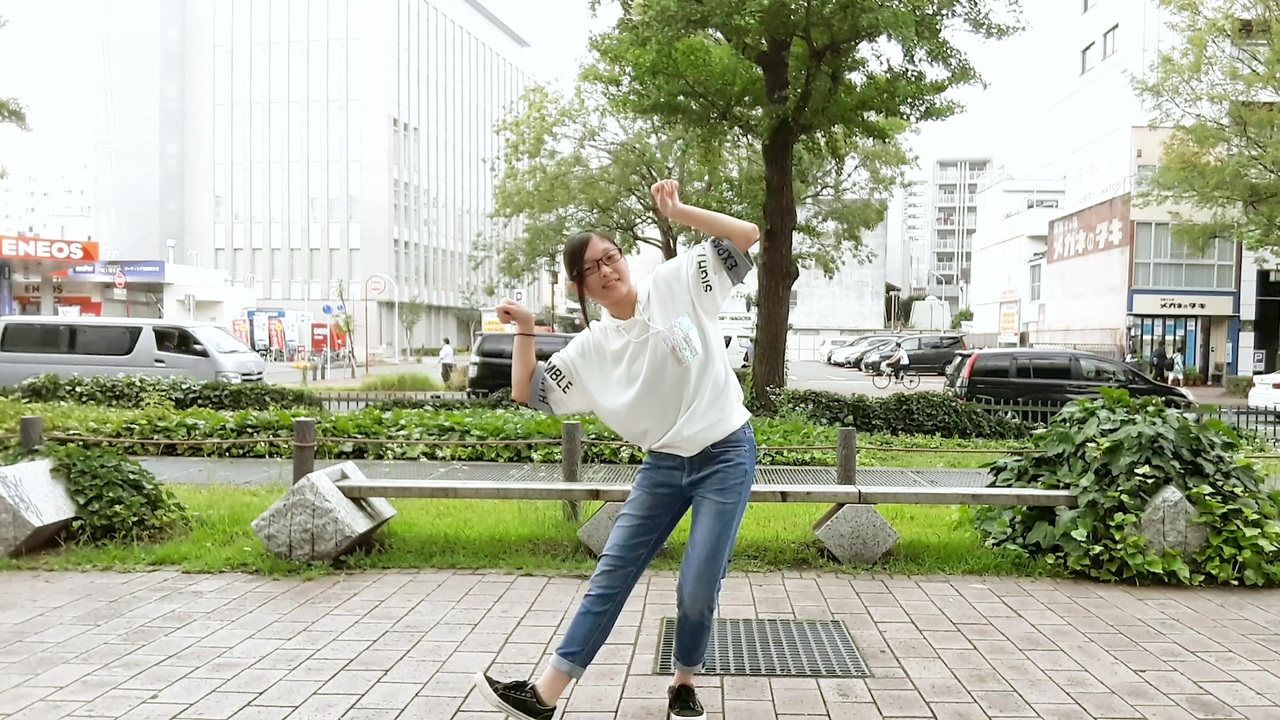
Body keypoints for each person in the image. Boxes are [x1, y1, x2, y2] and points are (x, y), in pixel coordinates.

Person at [474, 179, 759, 720]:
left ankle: (683, 682)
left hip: (725, 451)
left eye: (611, 258)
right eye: (591, 269)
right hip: (663, 464)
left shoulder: (677, 281)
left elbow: (746, 235)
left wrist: (679, 211)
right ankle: (543, 696)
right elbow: (527, 391)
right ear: (580, 286)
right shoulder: (591, 350)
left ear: (624, 259)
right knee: (612, 572)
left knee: (698, 584)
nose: (606, 271)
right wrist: (527, 329)